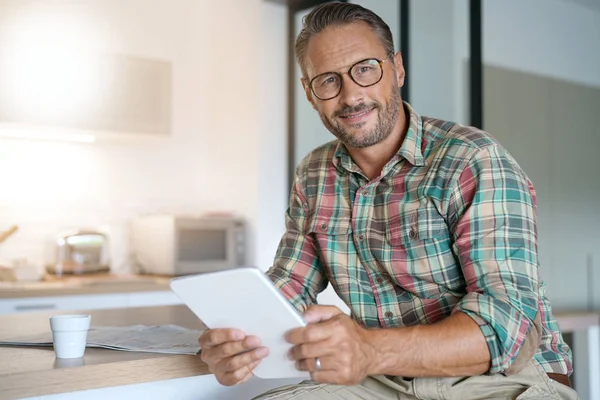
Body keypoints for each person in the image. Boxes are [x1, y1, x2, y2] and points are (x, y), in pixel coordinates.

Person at [198, 2, 578, 399]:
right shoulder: (313, 174)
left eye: (365, 69)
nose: (350, 96)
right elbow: (291, 281)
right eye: (328, 80)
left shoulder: (473, 159)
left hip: (499, 379)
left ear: (397, 69)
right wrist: (239, 339)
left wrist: (368, 350)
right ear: (310, 93)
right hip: (385, 380)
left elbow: (509, 328)